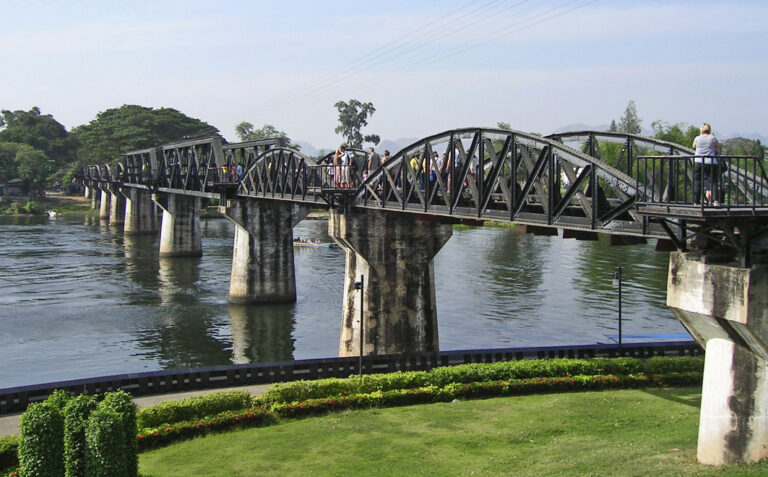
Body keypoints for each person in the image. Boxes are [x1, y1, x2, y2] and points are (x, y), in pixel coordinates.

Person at [692, 123, 720, 206]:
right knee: (713, 182)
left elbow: (693, 146)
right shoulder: (712, 138)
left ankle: (696, 202)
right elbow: (717, 146)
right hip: (710, 162)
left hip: (698, 161)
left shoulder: (697, 138)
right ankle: (715, 201)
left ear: (701, 130)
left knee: (697, 182)